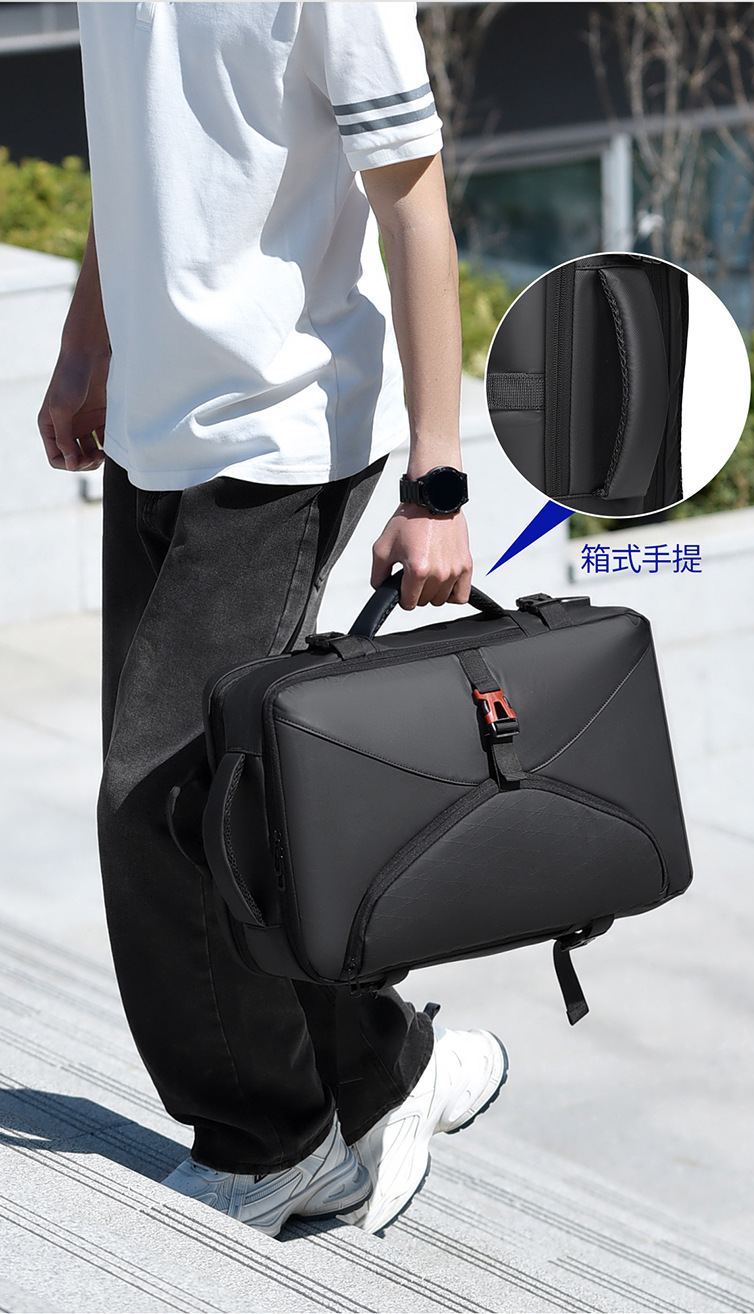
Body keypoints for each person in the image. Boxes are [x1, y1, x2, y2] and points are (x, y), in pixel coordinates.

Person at [38, 1, 508, 1238]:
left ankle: (273, 1144)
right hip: (153, 425)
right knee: (226, 799)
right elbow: (138, 151)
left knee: (154, 800)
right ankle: (383, 1062)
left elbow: (413, 205)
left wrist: (438, 482)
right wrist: (87, 342)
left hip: (285, 433)